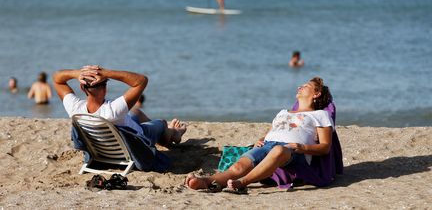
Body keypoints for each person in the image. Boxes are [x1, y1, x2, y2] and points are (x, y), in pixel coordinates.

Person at [185, 77, 334, 192]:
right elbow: (272, 132)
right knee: (238, 166)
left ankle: (243, 183)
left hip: (293, 151)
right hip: (268, 145)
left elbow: (325, 147)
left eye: (306, 86)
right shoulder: (283, 112)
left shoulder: (320, 115)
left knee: (279, 150)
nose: (300, 87)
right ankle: (206, 181)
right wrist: (261, 140)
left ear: (317, 93)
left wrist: (302, 147)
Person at [52, 65, 187, 148]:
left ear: (82, 88)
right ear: (105, 87)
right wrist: (107, 73)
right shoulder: (113, 110)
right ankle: (175, 134)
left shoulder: (75, 109)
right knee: (162, 123)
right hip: (136, 141)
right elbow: (141, 80)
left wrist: (77, 73)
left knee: (135, 112)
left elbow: (57, 79)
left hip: (101, 148)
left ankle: (157, 130)